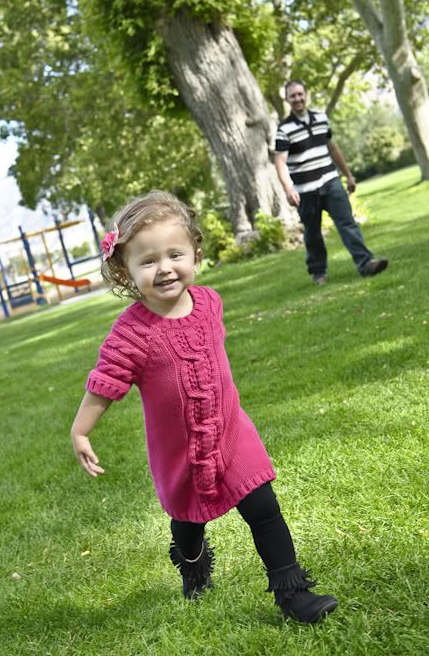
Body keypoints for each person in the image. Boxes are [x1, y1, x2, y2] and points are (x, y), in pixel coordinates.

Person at [70, 190, 338, 624]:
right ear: (125, 270)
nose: (164, 268)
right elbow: (106, 382)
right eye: (148, 261)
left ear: (195, 253)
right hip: (180, 453)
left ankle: (293, 594)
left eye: (174, 254)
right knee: (188, 522)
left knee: (264, 508)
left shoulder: (210, 303)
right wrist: (81, 430)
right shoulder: (131, 334)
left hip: (231, 433)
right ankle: (193, 566)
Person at [274, 80, 388, 285]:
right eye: (293, 96)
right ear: (287, 99)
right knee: (313, 234)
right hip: (305, 190)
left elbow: (332, 148)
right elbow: (280, 161)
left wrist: (348, 175)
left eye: (300, 94)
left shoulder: (321, 118)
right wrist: (288, 188)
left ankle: (366, 264)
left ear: (306, 94)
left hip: (331, 181)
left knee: (347, 223)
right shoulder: (284, 129)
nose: (297, 98)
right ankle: (319, 273)